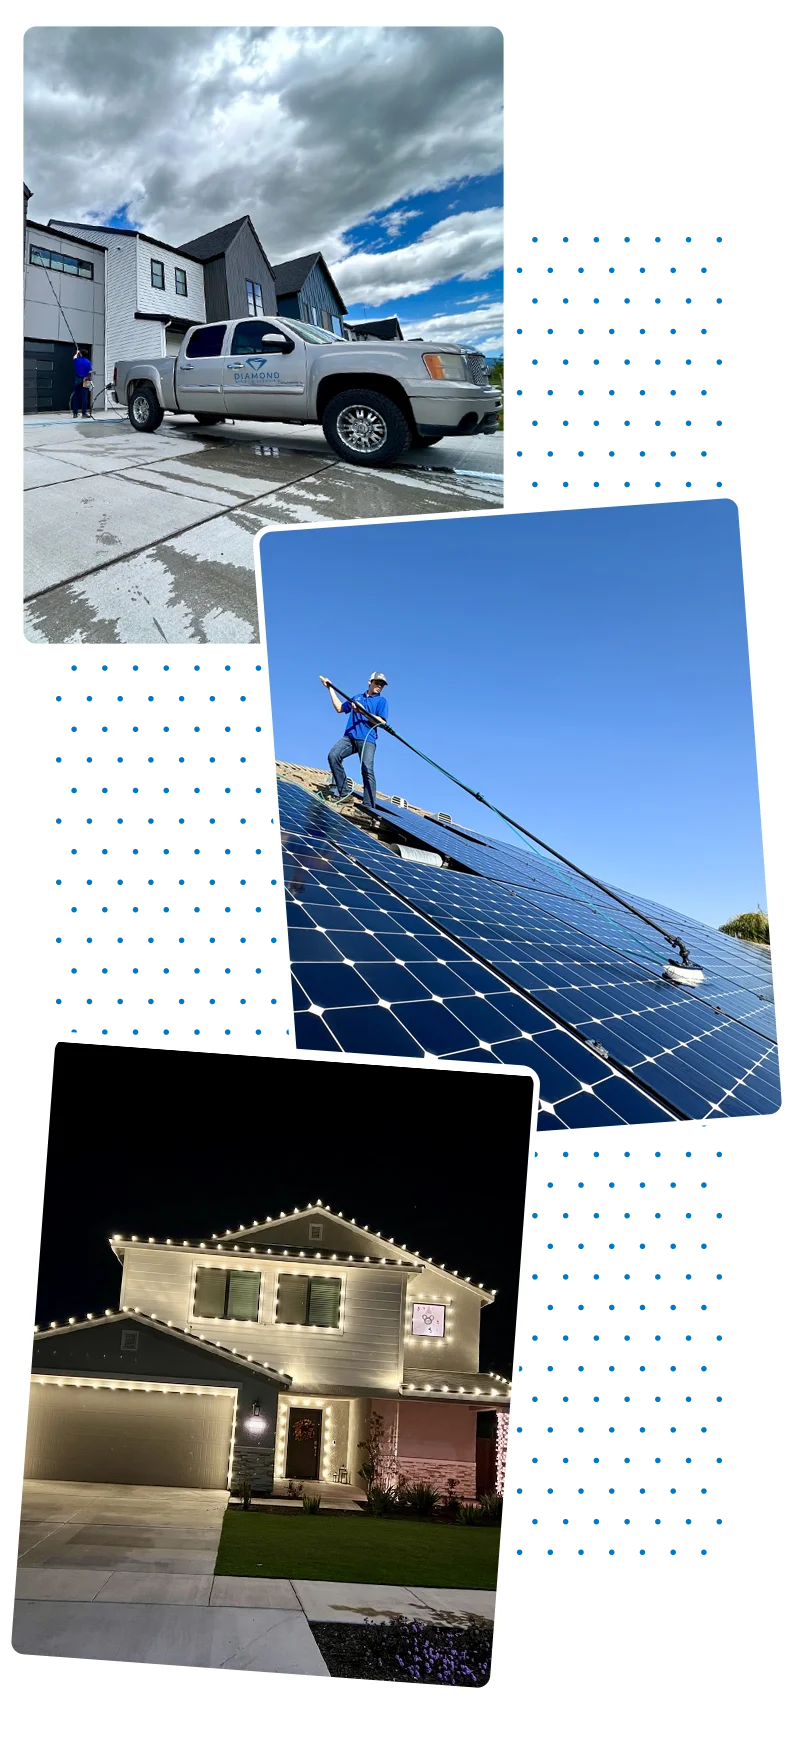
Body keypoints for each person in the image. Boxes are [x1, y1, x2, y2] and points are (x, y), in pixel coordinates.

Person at [320, 673, 389, 811]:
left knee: (367, 769)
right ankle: (345, 794)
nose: (379, 686)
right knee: (333, 756)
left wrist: (363, 712)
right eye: (377, 683)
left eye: (382, 685)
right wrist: (330, 688)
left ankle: (369, 807)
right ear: (370, 682)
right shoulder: (357, 697)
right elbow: (339, 708)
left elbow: (382, 722)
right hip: (350, 738)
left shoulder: (381, 701)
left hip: (367, 740)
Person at [71, 349, 93, 419]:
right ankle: (84, 413)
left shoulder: (77, 360)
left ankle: (75, 413)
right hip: (86, 379)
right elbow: (90, 371)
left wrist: (77, 353)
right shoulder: (88, 362)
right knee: (84, 397)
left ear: (81, 354)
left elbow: (74, 357)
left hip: (78, 379)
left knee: (76, 397)